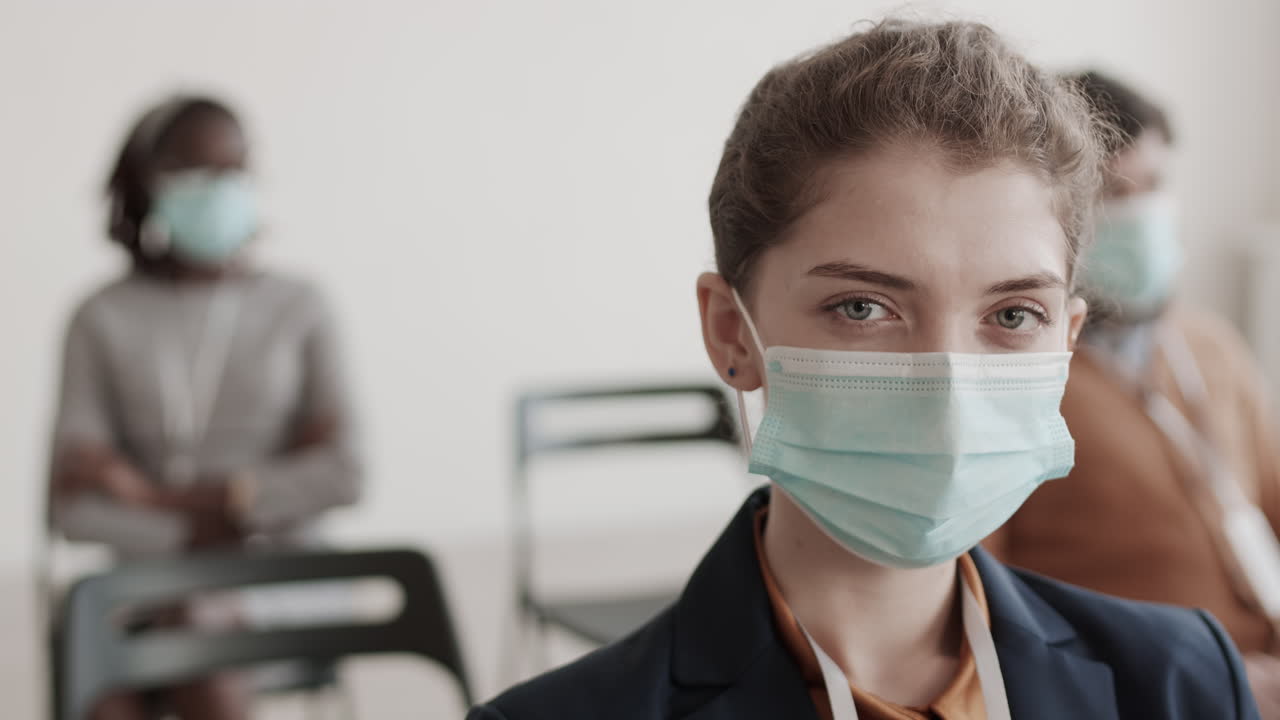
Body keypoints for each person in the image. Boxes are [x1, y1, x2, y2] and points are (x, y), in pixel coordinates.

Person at [468, 19, 1259, 720]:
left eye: (1012, 316)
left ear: (1066, 336)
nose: (947, 386)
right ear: (729, 333)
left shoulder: (1183, 682)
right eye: (863, 308)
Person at [48, 96, 362, 720]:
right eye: (196, 173)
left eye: (234, 171)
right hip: (143, 582)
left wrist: (143, 493)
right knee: (103, 670)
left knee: (197, 626)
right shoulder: (101, 318)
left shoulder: (300, 307)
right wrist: (243, 504)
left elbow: (345, 472)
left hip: (283, 579)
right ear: (148, 183)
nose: (219, 190)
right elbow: (75, 504)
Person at [983, 71, 1280, 718]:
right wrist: (1212, 683)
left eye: (1155, 187)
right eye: (1115, 193)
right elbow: (984, 610)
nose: (1142, 213)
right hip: (1151, 695)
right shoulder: (1013, 380)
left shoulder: (1211, 346)